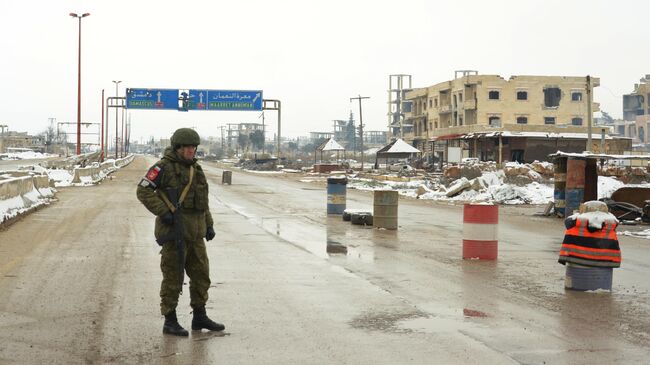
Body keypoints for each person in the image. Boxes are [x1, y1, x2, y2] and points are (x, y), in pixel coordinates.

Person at [136, 128, 224, 336]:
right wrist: (163, 211)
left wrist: (209, 225)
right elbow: (143, 190)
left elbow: (203, 203)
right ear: (177, 148)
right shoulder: (163, 168)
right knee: (173, 277)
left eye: (193, 147)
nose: (191, 151)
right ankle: (170, 320)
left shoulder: (197, 170)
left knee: (202, 276)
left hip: (196, 234)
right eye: (186, 147)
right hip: (174, 233)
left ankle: (199, 316)